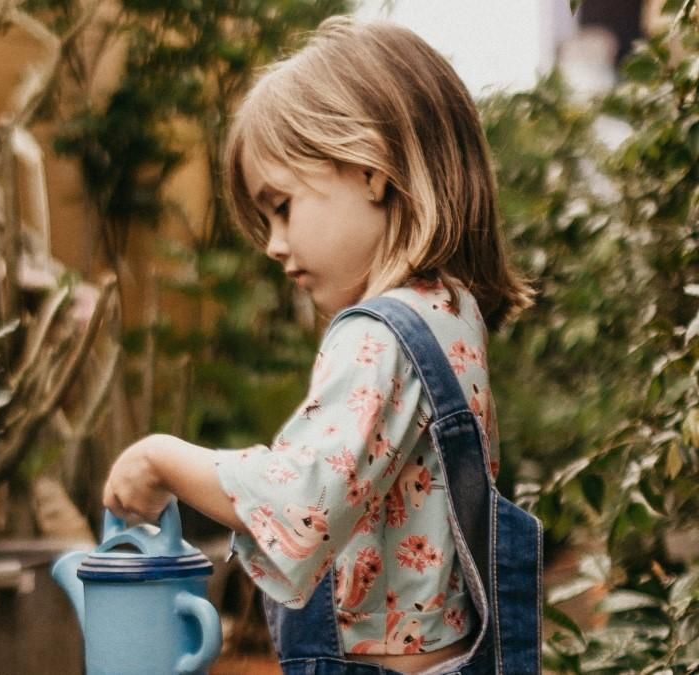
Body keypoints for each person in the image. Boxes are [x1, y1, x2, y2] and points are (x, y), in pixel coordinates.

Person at [101, 16, 541, 675]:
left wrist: (159, 458)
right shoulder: (451, 311)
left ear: (370, 169)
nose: (274, 244)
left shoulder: (376, 335)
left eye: (281, 206)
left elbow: (301, 505)